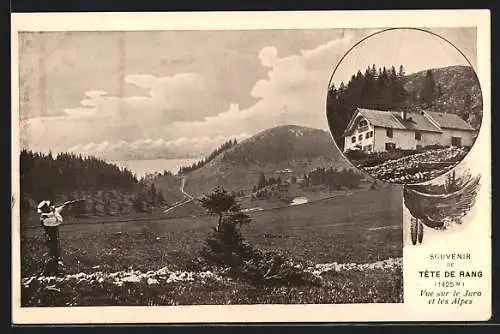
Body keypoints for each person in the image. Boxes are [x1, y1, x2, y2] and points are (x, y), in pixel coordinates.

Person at [37, 199, 81, 275]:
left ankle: (54, 271)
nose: (50, 207)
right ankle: (47, 272)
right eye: (48, 207)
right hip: (50, 239)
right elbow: (59, 220)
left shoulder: (49, 214)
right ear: (46, 210)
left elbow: (58, 209)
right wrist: (55, 212)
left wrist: (64, 205)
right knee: (53, 255)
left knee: (55, 254)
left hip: (52, 238)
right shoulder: (46, 219)